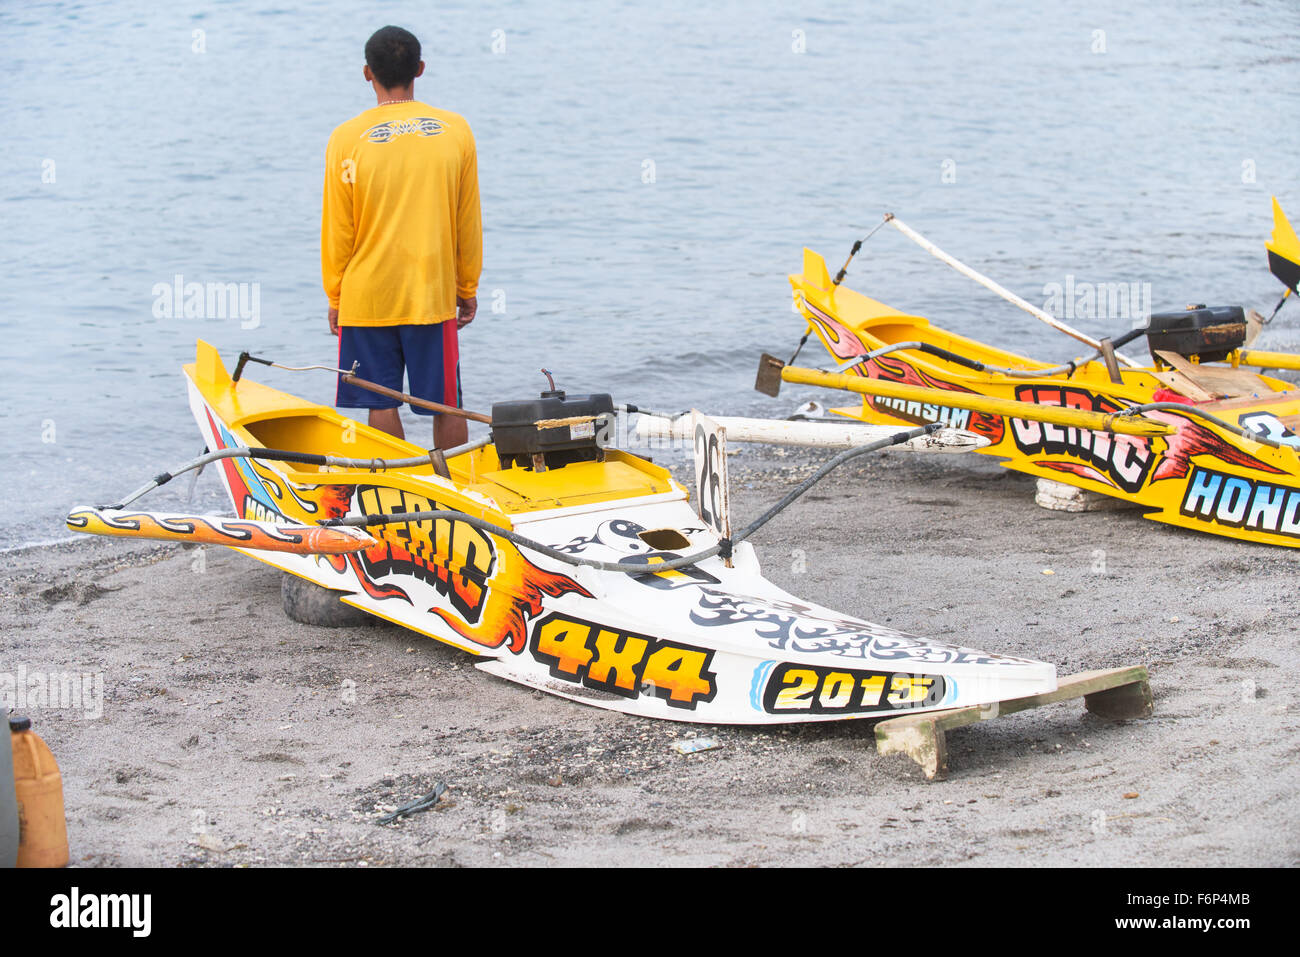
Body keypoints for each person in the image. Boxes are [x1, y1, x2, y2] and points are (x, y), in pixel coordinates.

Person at [321, 25, 481, 448]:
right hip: (431, 290)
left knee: (381, 400)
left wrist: (336, 296)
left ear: (367, 73)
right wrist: (466, 286)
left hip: (368, 294)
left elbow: (339, 228)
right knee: (446, 403)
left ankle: (394, 495)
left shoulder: (345, 139)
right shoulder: (455, 130)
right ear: (420, 69)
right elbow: (468, 220)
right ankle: (453, 494)